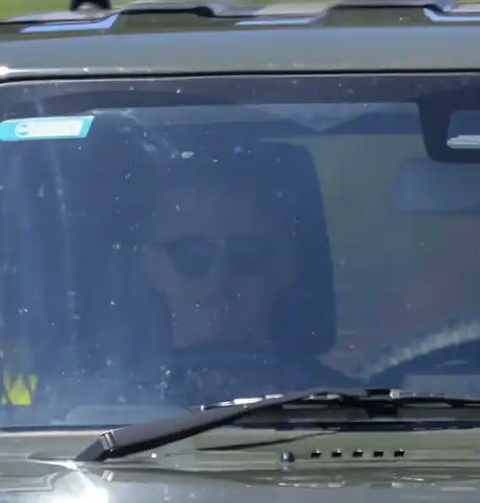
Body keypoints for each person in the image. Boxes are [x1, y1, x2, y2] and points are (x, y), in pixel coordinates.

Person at [126, 145, 341, 407]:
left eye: (249, 255)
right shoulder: (94, 413)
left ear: (285, 265)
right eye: (191, 255)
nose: (220, 281)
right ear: (152, 266)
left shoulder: (348, 411)